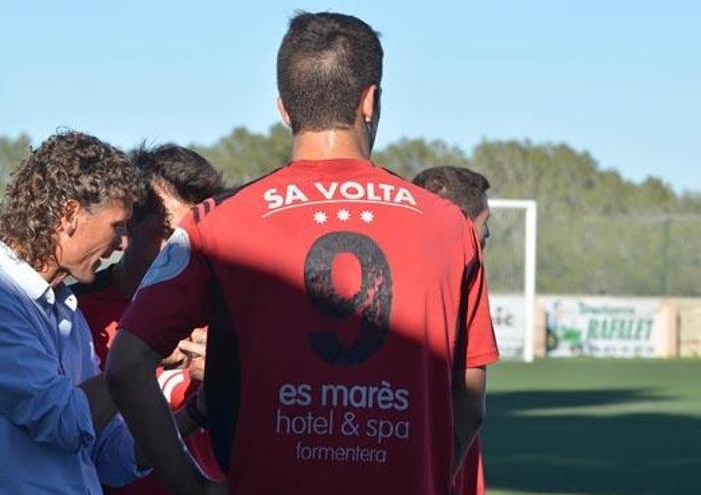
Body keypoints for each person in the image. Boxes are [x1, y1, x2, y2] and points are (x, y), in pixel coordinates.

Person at [106, 12, 498, 495]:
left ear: (284, 109)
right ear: (369, 101)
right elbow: (470, 399)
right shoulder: (450, 227)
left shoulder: (217, 221)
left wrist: (192, 487)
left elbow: (125, 365)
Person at [0, 131, 150, 494]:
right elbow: (65, 420)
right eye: (117, 225)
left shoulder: (66, 311)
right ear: (70, 214)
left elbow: (112, 457)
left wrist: (197, 409)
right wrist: (141, 353)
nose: (123, 242)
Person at [71, 143, 226, 494]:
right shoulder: (74, 313)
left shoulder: (225, 314)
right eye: (167, 234)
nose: (182, 251)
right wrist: (140, 358)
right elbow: (60, 432)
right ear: (127, 228)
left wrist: (231, 375)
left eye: (193, 238)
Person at [413, 166, 494, 495]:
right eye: (484, 224)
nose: (488, 236)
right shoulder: (463, 280)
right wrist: (440, 478)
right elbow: (470, 406)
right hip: (440, 474)